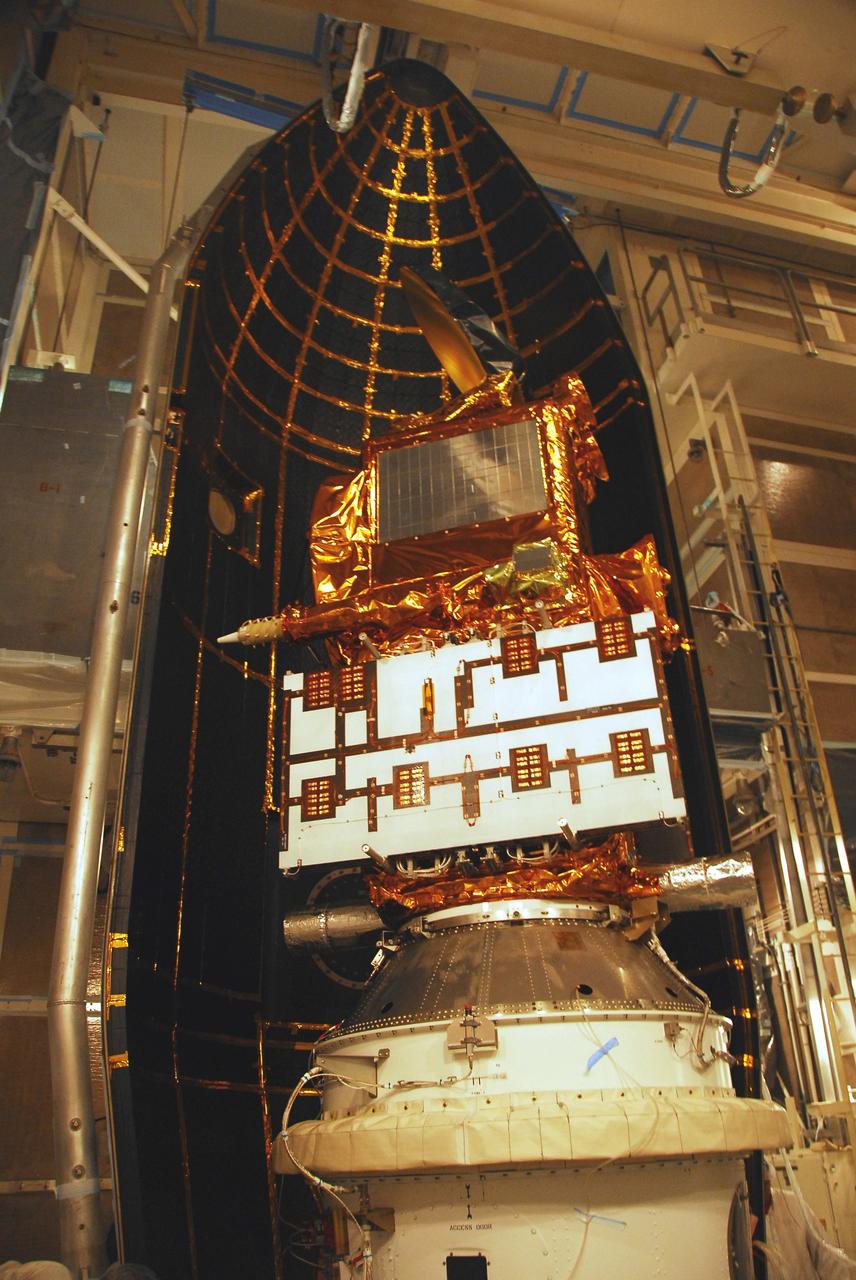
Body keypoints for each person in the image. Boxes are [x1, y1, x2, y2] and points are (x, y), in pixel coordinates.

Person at [758, 1170, 856, 1280]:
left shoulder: (792, 1203)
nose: (763, 1187)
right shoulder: (745, 1219)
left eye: (765, 1181)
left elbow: (824, 1253)